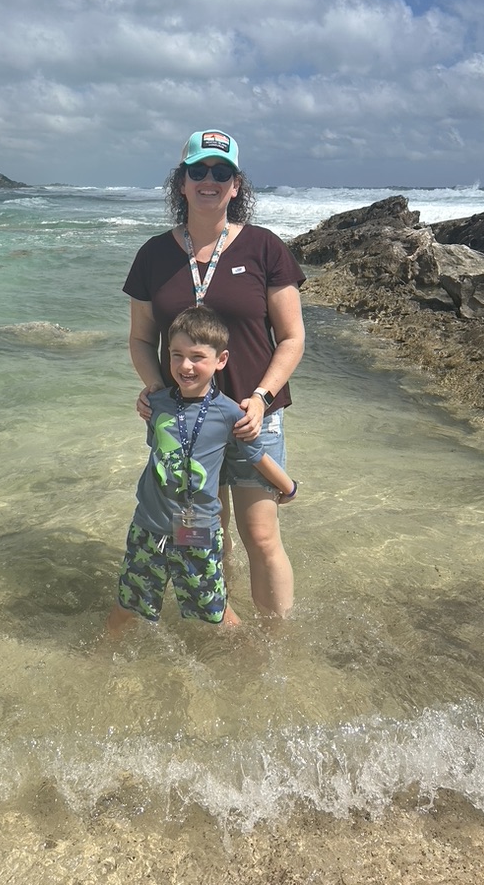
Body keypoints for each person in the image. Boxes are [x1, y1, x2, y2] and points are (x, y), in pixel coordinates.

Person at [122, 129, 306, 618]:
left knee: (261, 535)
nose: (209, 180)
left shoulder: (264, 249)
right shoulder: (154, 256)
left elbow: (291, 338)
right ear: (180, 182)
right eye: (197, 171)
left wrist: (262, 398)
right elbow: (141, 339)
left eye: (220, 172)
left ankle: (276, 644)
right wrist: (157, 392)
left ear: (236, 185)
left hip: (251, 418)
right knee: (199, 532)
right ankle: (217, 631)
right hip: (183, 424)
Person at [106, 305, 298, 635]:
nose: (185, 365)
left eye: (197, 356)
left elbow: (256, 457)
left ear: (220, 360)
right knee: (128, 606)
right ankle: (97, 661)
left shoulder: (230, 413)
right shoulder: (157, 405)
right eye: (176, 355)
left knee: (214, 613)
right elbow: (160, 453)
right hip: (148, 526)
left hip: (195, 532)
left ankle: (255, 655)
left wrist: (289, 487)